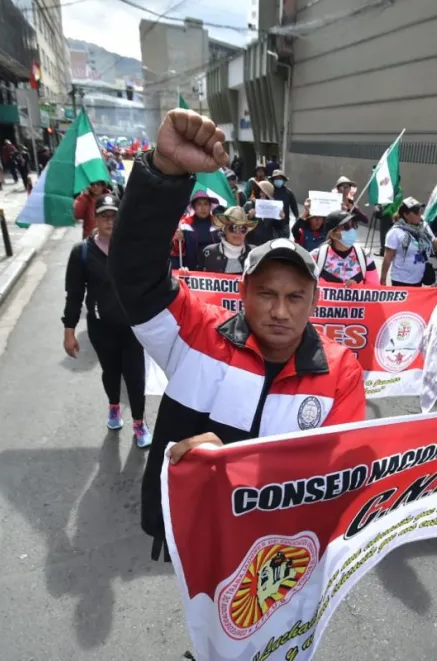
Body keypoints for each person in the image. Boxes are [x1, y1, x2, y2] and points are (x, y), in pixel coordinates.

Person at [107, 108, 367, 561]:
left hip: (281, 551)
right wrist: (165, 173)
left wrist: (226, 463)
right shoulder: (197, 332)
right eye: (266, 293)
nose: (280, 311)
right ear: (242, 292)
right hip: (194, 537)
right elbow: (135, 276)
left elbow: (338, 475)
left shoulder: (341, 370)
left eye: (295, 297)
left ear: (315, 301)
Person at [63, 193, 151, 448]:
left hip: (133, 327)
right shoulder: (81, 253)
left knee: (135, 377)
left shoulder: (132, 249)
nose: (110, 221)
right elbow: (74, 295)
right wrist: (69, 331)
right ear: (95, 218)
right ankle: (114, 406)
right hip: (101, 327)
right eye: (104, 216)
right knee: (111, 373)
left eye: (114, 216)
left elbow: (150, 280)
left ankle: (139, 421)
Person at [381, 197, 437, 287]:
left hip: (418, 280)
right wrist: (383, 280)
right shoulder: (395, 232)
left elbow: (434, 247)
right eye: (416, 212)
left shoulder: (424, 227)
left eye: (420, 211)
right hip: (400, 281)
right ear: (405, 214)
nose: (420, 214)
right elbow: (387, 259)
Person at [312, 211, 378, 285]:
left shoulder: (365, 257)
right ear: (333, 234)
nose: (351, 230)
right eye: (346, 227)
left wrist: (357, 290)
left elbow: (374, 291)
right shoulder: (314, 258)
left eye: (353, 225)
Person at [174, 190, 221, 270]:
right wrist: (179, 240)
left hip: (215, 270)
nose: (203, 208)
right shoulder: (184, 224)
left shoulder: (218, 223)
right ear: (194, 207)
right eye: (199, 204)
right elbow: (177, 251)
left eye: (206, 204)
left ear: (210, 206)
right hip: (191, 271)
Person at [201, 206, 256, 274]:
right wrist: (185, 272)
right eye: (233, 227)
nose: (238, 232)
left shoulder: (255, 253)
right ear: (224, 229)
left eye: (243, 228)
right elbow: (196, 278)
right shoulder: (208, 253)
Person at [245, 180, 285, 247]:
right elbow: (239, 222)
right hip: (250, 243)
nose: (261, 194)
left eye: (264, 193)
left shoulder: (274, 208)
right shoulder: (249, 205)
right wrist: (248, 216)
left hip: (267, 244)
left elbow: (279, 227)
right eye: (259, 191)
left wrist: (281, 218)